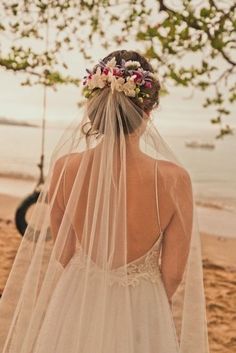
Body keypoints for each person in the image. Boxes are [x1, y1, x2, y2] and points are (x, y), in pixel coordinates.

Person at [0, 50, 209, 353]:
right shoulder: (175, 179)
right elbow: (174, 272)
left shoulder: (65, 168)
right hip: (143, 301)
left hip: (79, 295)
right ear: (149, 112)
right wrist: (150, 308)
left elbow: (65, 250)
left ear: (95, 108)